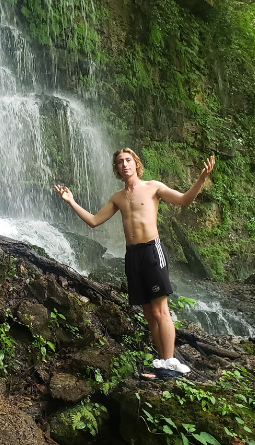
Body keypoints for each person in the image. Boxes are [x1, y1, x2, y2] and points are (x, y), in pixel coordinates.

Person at [55, 148, 215, 377]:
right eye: (120, 162)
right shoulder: (118, 197)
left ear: (136, 163)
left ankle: (170, 363)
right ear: (117, 168)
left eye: (128, 160)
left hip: (152, 251)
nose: (124, 164)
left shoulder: (153, 187)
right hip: (132, 255)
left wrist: (201, 178)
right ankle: (162, 363)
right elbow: (93, 221)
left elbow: (184, 200)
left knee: (161, 311)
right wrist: (71, 201)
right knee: (149, 314)